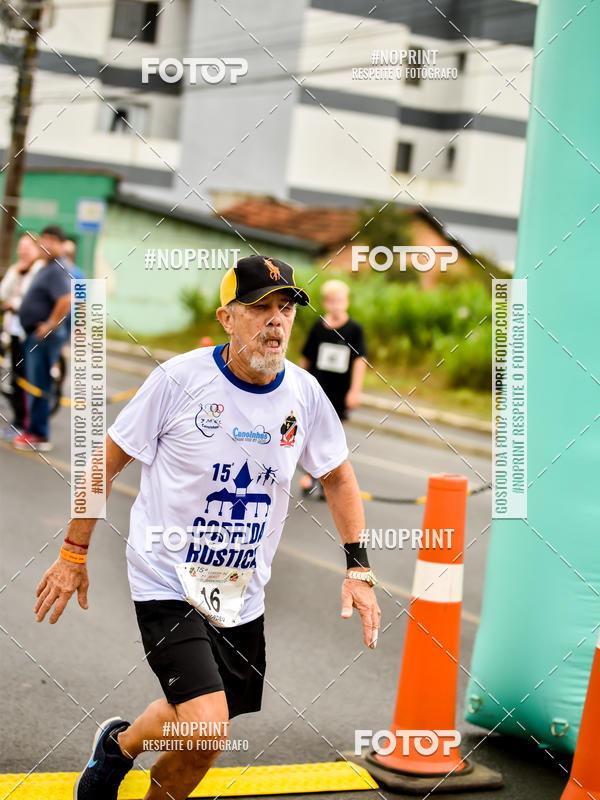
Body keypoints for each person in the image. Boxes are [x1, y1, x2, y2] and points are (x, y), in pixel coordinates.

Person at [34, 254, 381, 800]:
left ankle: (118, 746)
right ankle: (121, 749)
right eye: (260, 308)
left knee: (202, 742)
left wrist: (358, 568)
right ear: (226, 319)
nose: (276, 321)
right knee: (206, 722)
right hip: (167, 579)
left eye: (286, 308)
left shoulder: (305, 393)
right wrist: (73, 554)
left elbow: (337, 478)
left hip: (242, 593)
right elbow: (105, 463)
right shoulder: (178, 380)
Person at [299, 279, 367, 495]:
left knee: (331, 437)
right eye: (333, 301)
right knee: (310, 435)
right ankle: (312, 478)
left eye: (341, 300)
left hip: (339, 393)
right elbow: (306, 358)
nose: (337, 305)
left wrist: (355, 391)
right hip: (317, 390)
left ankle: (329, 480)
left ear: (346, 302)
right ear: (326, 303)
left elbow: (359, 361)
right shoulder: (318, 327)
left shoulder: (354, 330)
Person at [14, 225, 72, 451]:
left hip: (44, 338)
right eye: (43, 239)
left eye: (50, 240)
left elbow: (66, 299)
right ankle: (33, 430)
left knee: (39, 384)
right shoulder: (46, 267)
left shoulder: (57, 268)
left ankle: (39, 434)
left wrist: (50, 324)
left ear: (60, 244)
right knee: (34, 383)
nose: (44, 244)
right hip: (35, 336)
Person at [0, 232, 44, 439]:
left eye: (28, 248)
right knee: (17, 379)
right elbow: (2, 294)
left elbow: (30, 301)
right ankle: (18, 423)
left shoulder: (39, 271)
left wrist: (14, 304)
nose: (24, 252)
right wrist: (14, 272)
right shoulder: (18, 269)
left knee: (28, 380)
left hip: (31, 335)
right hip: (14, 332)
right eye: (21, 248)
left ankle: (27, 426)